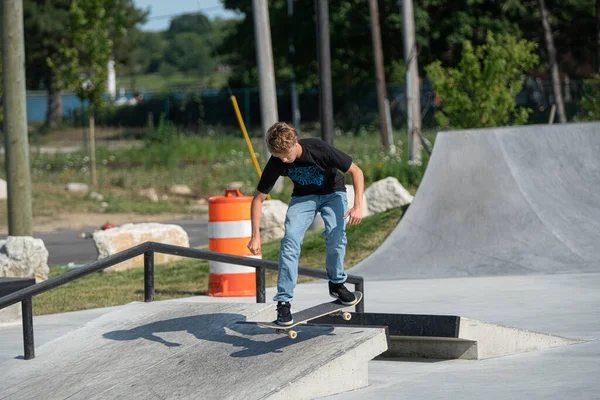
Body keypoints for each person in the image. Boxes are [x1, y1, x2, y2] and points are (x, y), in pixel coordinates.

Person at [247, 122, 365, 326]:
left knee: (336, 235)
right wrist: (255, 235)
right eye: (278, 156)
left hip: (332, 193)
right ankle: (284, 302)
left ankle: (337, 283)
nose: (283, 160)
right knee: (290, 241)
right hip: (303, 197)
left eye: (285, 154)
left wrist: (358, 206)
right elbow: (258, 198)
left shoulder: (319, 149)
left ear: (295, 143)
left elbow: (356, 172)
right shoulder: (277, 161)